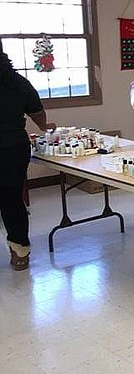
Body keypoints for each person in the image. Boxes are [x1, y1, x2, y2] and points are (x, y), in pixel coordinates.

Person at [0, 47, 55, 270]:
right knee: (12, 199)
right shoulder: (16, 81)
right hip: (13, 146)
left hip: (10, 145)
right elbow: (36, 110)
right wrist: (44, 126)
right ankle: (20, 251)